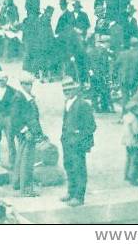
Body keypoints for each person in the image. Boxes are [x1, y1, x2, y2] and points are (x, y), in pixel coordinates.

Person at [60, 78, 96, 206]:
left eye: (69, 90)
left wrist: (78, 137)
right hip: (66, 142)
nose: (67, 92)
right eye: (65, 90)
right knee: (68, 166)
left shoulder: (83, 104)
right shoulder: (67, 103)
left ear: (75, 90)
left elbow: (91, 126)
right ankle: (71, 192)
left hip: (77, 144)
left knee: (79, 168)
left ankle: (79, 197)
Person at [10, 72, 43, 196]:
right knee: (27, 161)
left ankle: (17, 182)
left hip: (27, 131)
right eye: (27, 84)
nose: (30, 87)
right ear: (22, 84)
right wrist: (26, 130)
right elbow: (15, 118)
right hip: (26, 132)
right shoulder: (19, 98)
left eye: (31, 84)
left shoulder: (26, 96)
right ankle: (27, 189)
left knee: (20, 158)